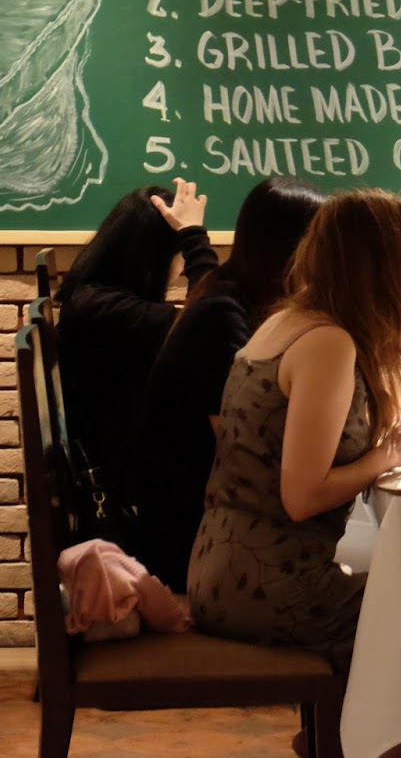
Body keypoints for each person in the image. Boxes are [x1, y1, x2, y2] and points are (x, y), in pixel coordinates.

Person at [187, 188, 401, 671]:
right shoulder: (329, 343)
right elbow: (302, 497)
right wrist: (387, 457)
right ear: (385, 267)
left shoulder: (291, 320)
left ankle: (356, 720)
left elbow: (375, 392)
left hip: (218, 569)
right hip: (270, 586)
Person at [133, 177, 326, 590]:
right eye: (324, 245)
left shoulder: (232, 295)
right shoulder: (221, 317)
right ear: (293, 250)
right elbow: (246, 450)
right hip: (196, 544)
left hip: (219, 521)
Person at [56, 178, 215, 529]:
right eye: (179, 254)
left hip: (131, 472)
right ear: (154, 255)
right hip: (136, 494)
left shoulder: (94, 299)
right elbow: (215, 323)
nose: (183, 268)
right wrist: (194, 237)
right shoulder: (105, 310)